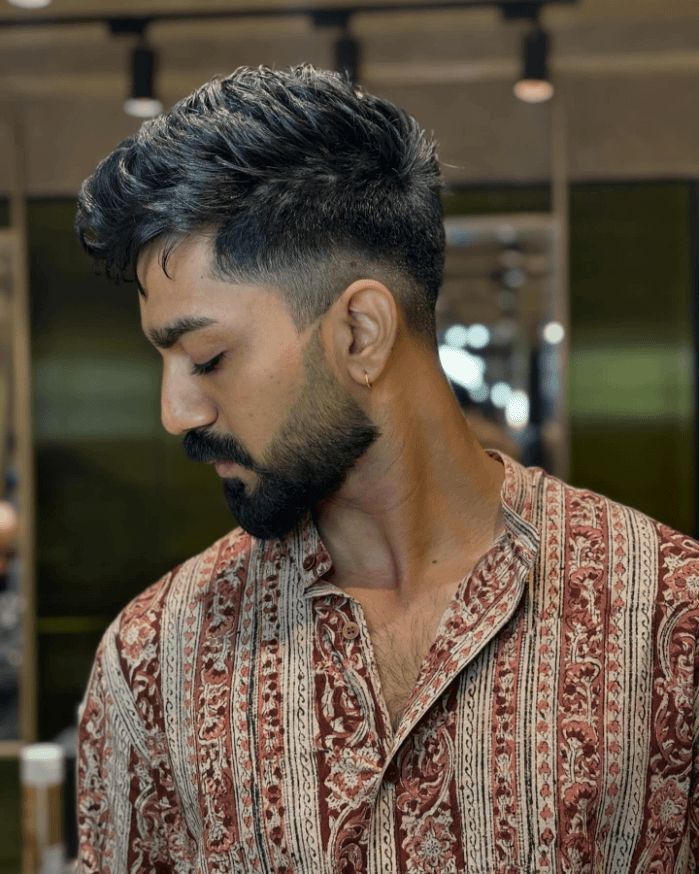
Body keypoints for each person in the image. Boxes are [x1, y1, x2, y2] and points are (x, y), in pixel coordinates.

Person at [73, 64, 699, 873]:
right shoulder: (156, 659)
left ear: (361, 334)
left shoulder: (669, 627)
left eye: (209, 356)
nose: (177, 413)